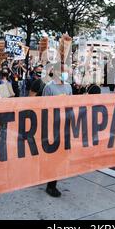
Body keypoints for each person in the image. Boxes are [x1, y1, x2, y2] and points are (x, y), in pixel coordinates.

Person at [42, 63, 73, 198]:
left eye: (67, 71)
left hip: (65, 124)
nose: (67, 73)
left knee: (61, 156)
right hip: (52, 125)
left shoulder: (68, 86)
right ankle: (51, 185)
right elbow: (43, 107)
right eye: (64, 71)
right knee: (53, 156)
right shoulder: (49, 88)